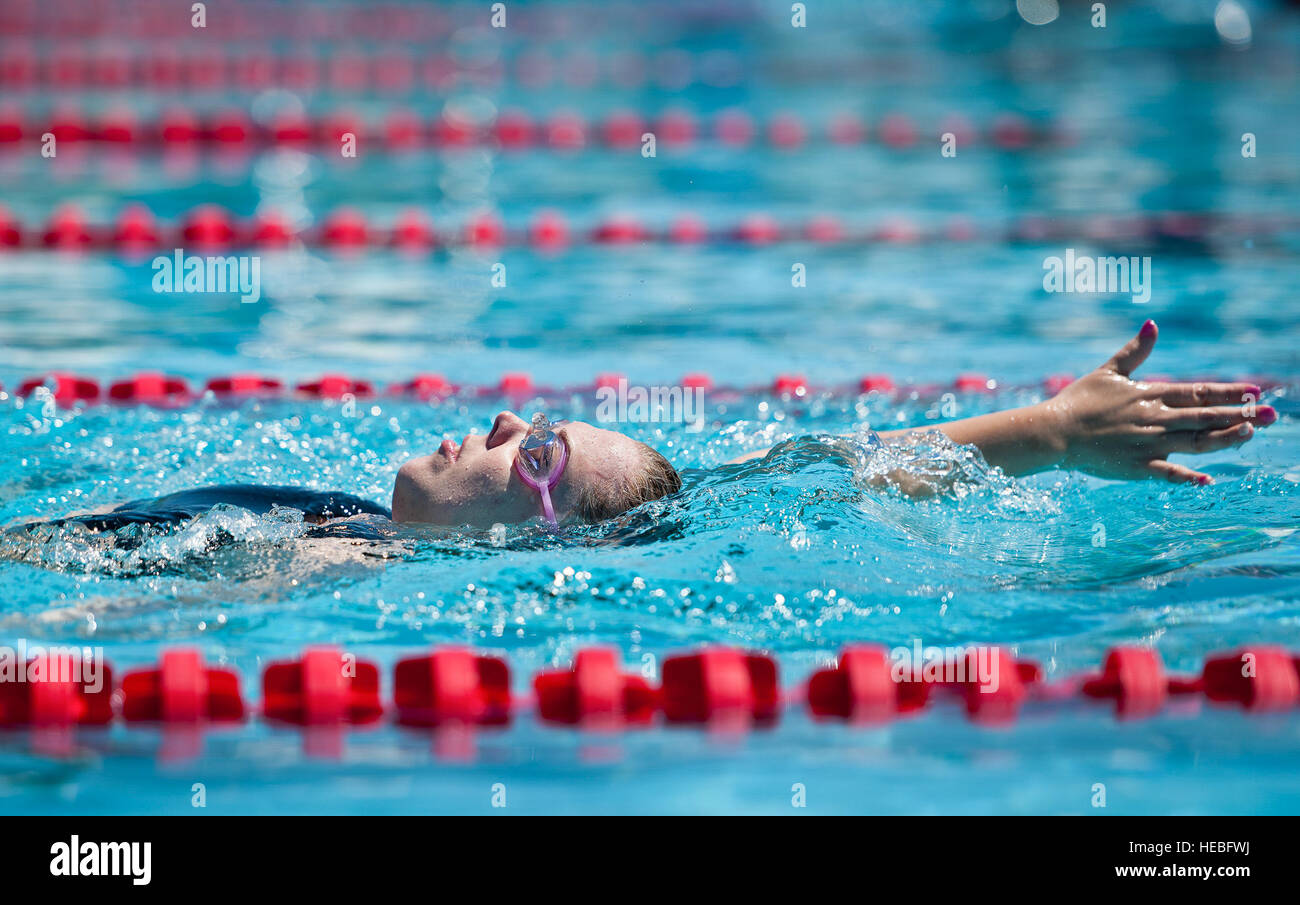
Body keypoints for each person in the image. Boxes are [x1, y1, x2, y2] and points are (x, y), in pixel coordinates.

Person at [16, 321, 1277, 536]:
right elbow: (807, 466)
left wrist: (1053, 430)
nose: (503, 419)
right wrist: (1046, 424)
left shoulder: (317, 563)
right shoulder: (349, 535)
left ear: (532, 532)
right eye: (534, 423)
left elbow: (836, 481)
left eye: (539, 451)